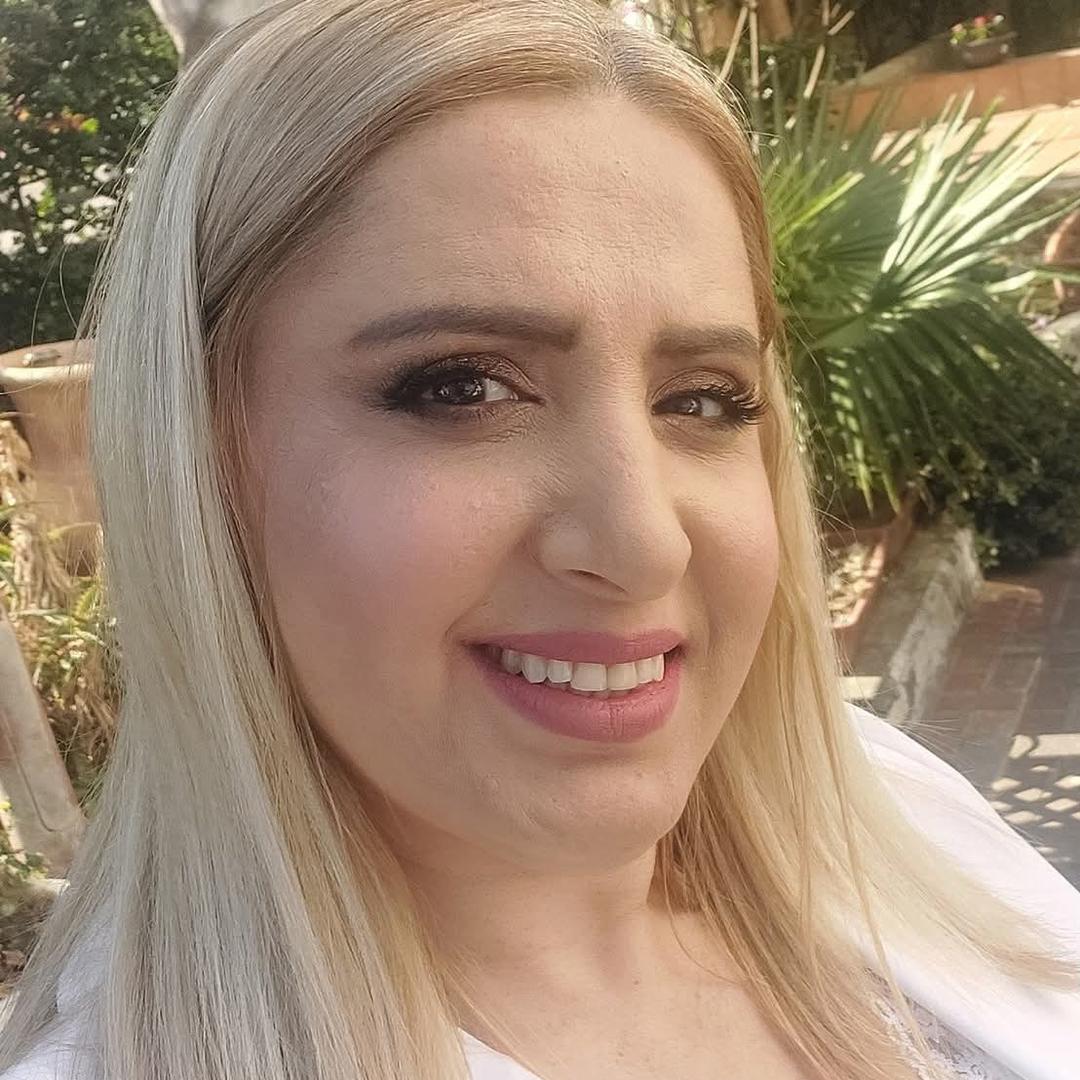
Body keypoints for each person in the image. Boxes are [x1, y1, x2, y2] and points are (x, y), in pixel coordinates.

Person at [1, 1, 1078, 1077]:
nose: (644, 544)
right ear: (196, 454)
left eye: (703, 399)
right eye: (461, 387)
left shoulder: (891, 809)